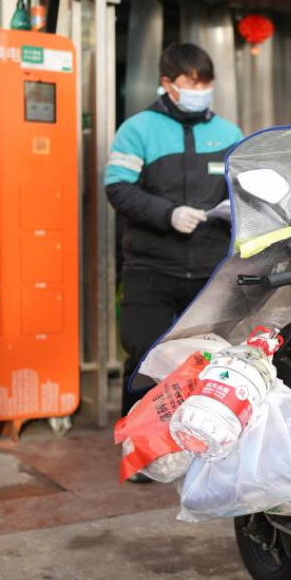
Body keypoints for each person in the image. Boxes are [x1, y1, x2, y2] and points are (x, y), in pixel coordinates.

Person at [106, 43, 242, 439]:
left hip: (208, 271)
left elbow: (243, 188)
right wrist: (168, 214)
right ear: (167, 83)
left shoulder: (228, 133)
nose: (201, 90)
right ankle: (139, 444)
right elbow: (118, 188)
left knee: (209, 359)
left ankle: (197, 441)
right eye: (191, 83)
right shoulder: (137, 129)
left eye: (206, 83)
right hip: (151, 268)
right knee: (145, 356)